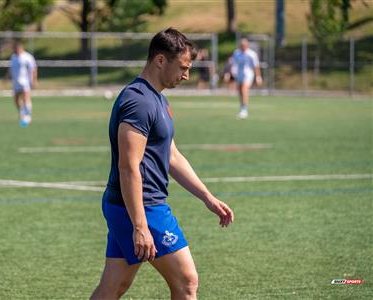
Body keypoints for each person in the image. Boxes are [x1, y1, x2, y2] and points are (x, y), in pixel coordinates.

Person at [91, 28, 234, 300]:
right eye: (182, 67)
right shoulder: (138, 102)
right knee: (186, 282)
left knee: (114, 287)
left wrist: (207, 197)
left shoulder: (157, 99)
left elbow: (171, 155)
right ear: (159, 60)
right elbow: (129, 167)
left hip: (132, 206)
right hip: (141, 206)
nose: (186, 75)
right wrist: (140, 225)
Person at [223, 38, 262, 119]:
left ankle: (244, 110)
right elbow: (232, 63)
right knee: (240, 91)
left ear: (247, 46)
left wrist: (258, 77)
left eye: (244, 45)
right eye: (241, 45)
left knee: (244, 89)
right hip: (239, 74)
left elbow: (256, 66)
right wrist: (228, 74)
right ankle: (242, 108)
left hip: (248, 74)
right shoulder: (237, 53)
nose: (242, 47)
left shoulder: (252, 54)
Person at [9, 41, 37, 127]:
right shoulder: (13, 57)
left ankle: (28, 116)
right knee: (16, 99)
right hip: (16, 82)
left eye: (17, 48)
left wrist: (34, 80)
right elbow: (11, 68)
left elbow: (33, 69)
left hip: (25, 81)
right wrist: (6, 77)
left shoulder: (27, 57)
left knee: (26, 98)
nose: (16, 50)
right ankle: (22, 112)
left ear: (21, 48)